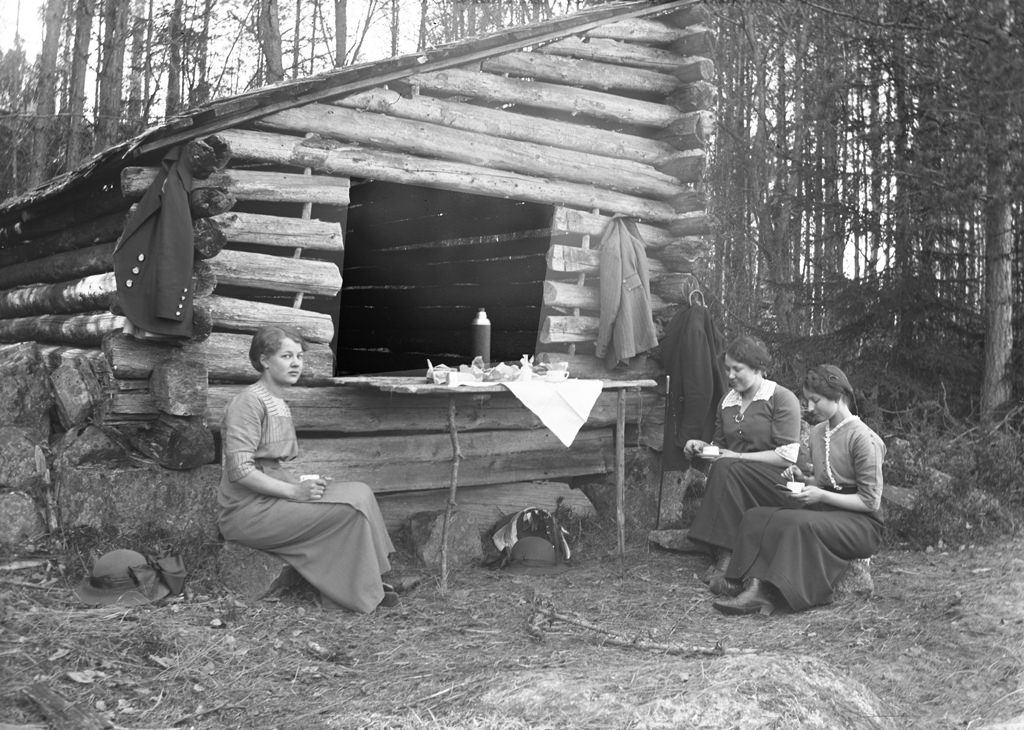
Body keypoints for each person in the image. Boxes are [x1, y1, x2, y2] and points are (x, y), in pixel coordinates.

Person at [218, 326, 397, 612]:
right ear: (264, 360)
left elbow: (272, 465)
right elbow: (240, 470)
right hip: (247, 512)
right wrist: (295, 491)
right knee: (348, 510)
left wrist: (307, 482)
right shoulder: (248, 403)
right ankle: (349, 594)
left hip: (274, 497)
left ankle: (374, 578)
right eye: (286, 356)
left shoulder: (277, 401)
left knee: (360, 492)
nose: (296, 363)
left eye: (299, 356)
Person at [711, 364, 886, 615]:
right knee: (758, 516)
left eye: (816, 400)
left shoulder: (863, 438)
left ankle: (770, 592)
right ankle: (740, 580)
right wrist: (804, 480)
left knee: (796, 524)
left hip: (862, 523)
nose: (810, 408)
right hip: (830, 510)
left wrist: (821, 494)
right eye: (808, 401)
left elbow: (870, 502)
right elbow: (827, 480)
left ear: (839, 397)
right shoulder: (818, 432)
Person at [681, 335, 803, 589]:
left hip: (778, 481)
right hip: (736, 479)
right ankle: (728, 558)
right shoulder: (727, 401)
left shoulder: (781, 398)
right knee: (725, 468)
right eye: (727, 369)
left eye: (738, 369)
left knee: (727, 467)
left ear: (758, 368)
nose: (730, 375)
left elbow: (786, 456)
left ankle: (725, 558)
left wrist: (736, 457)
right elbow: (720, 449)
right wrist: (701, 447)